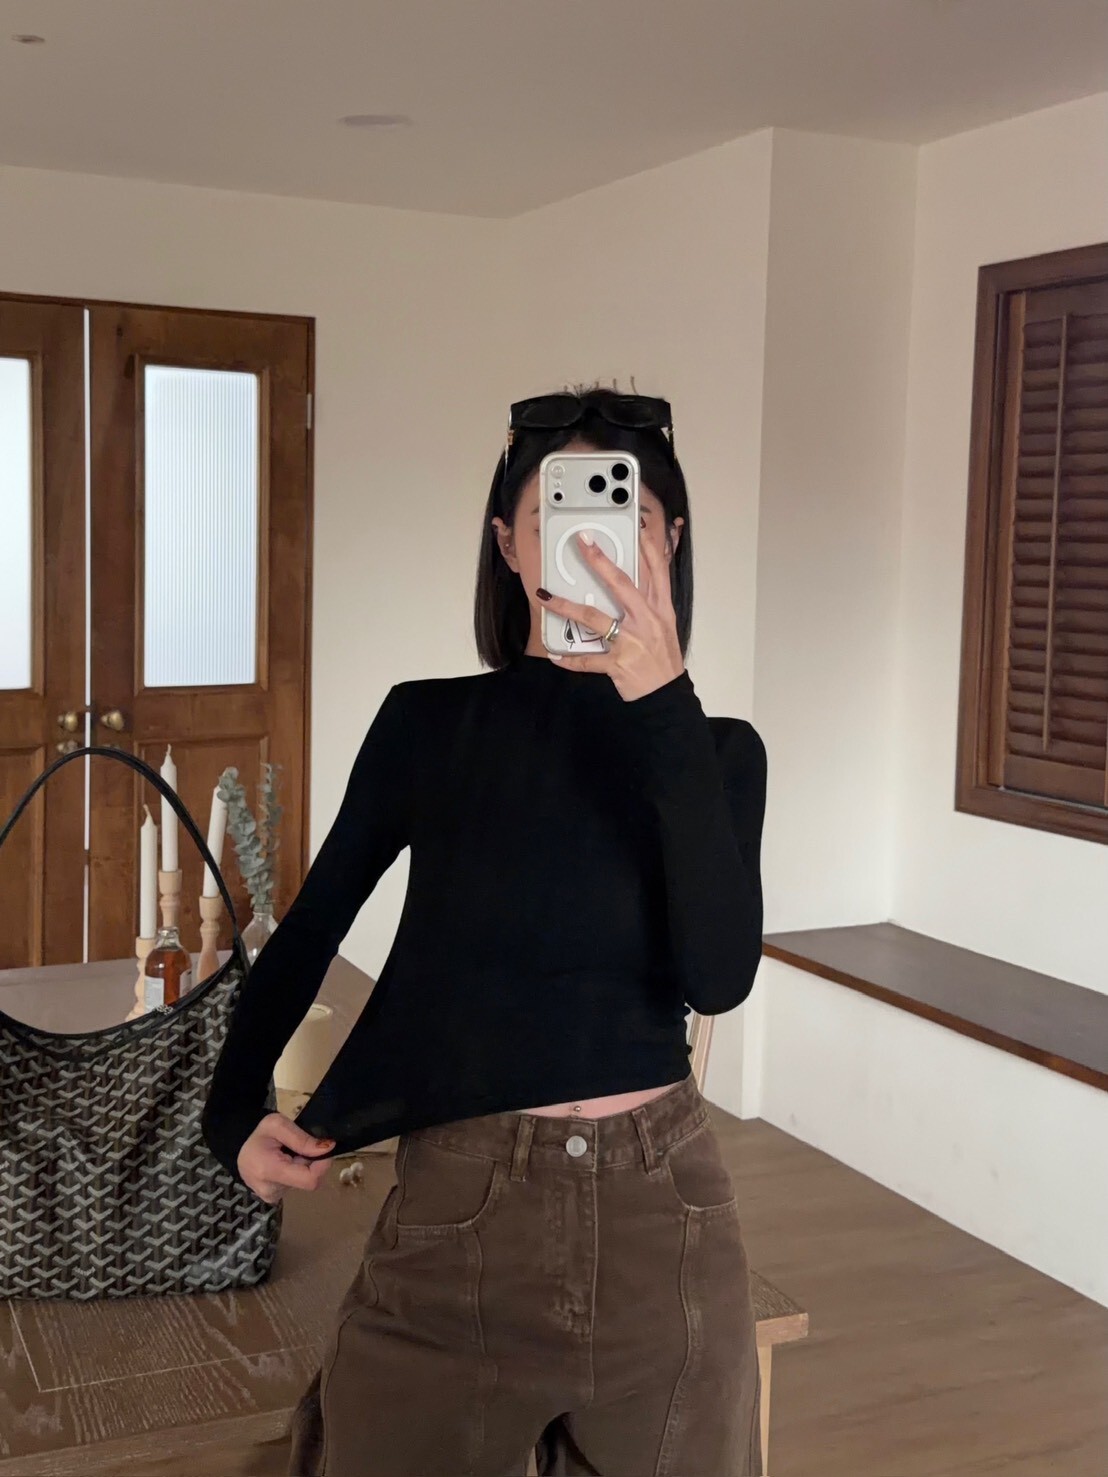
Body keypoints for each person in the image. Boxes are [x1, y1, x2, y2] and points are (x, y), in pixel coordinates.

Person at [201, 385, 768, 1477]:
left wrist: (663, 702)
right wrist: (231, 1110)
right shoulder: (429, 721)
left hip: (664, 1217)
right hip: (459, 1210)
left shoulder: (718, 752)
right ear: (508, 542)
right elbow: (315, 921)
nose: (590, 546)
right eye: (558, 516)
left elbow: (718, 974)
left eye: (625, 518)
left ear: (668, 544)